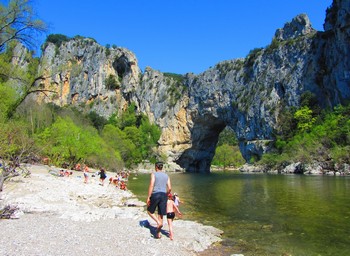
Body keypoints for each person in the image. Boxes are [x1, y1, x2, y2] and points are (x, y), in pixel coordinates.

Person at [147, 161, 171, 239]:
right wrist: (166, 194)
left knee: (149, 211)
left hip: (156, 194)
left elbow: (151, 184)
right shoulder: (166, 176)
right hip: (164, 195)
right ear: (162, 167)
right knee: (160, 214)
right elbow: (170, 188)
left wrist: (148, 196)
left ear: (156, 167)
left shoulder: (154, 174)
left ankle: (157, 222)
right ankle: (158, 234)